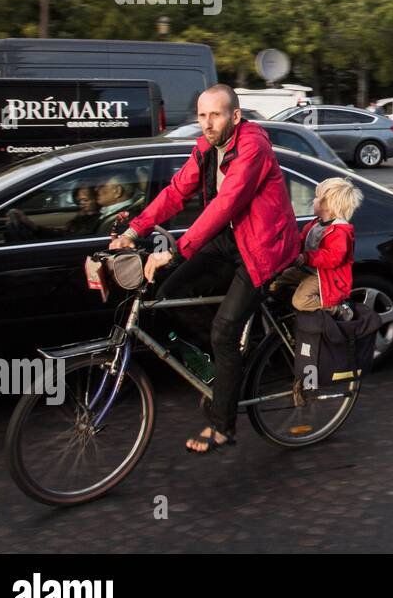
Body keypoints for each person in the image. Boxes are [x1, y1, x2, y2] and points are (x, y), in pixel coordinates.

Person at [110, 84, 299, 454]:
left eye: (215, 115)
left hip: (262, 248)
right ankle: (223, 366)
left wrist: (176, 251)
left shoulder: (252, 148)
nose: (207, 123)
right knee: (168, 295)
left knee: (224, 331)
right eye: (201, 115)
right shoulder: (206, 149)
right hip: (230, 240)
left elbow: (225, 205)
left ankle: (222, 424)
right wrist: (133, 231)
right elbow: (175, 193)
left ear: (235, 116)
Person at [272, 177, 362, 314]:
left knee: (300, 301)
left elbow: (333, 257)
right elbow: (301, 240)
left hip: (324, 277)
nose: (313, 200)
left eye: (317, 197)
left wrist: (307, 258)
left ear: (328, 205)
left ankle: (337, 309)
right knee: (275, 283)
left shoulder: (340, 231)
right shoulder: (315, 224)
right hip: (306, 270)